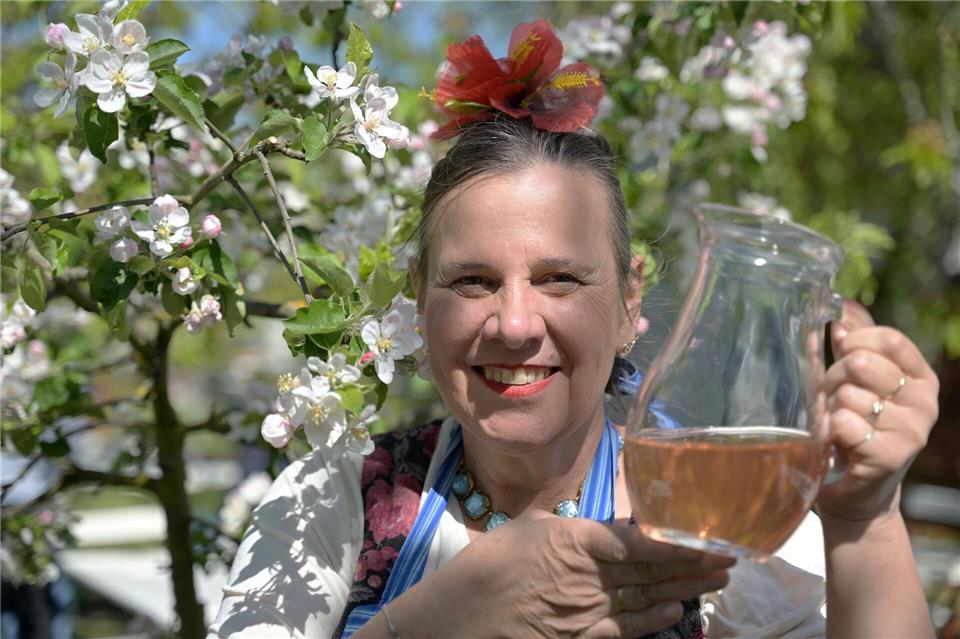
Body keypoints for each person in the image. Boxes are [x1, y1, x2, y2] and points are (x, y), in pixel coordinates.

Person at [209, 20, 940, 639]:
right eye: (472, 280)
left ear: (629, 305)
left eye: (560, 278)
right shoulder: (337, 494)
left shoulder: (715, 507)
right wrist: (433, 619)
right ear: (418, 304)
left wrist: (864, 523)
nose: (517, 323)